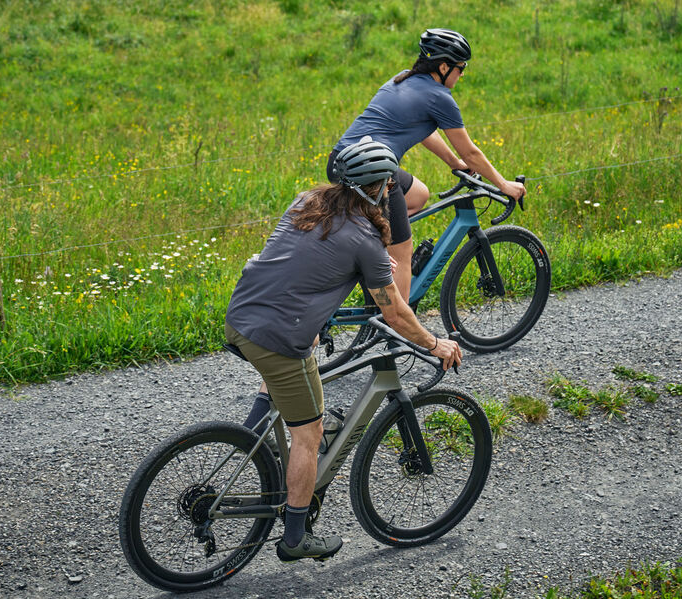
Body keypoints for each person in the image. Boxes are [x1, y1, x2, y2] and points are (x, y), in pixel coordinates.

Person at [225, 138, 463, 562]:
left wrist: (369, 266)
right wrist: (434, 342)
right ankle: (295, 537)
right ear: (375, 189)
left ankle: (251, 445)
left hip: (243, 316)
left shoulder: (308, 200)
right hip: (279, 338)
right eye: (388, 184)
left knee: (301, 359)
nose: (392, 189)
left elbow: (304, 257)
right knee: (309, 433)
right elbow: (396, 315)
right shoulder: (365, 240)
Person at [328, 28, 527, 301]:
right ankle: (398, 328)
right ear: (444, 67)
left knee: (419, 194)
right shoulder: (440, 97)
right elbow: (471, 153)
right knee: (403, 251)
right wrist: (504, 185)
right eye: (461, 68)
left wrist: (452, 162)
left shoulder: (403, 79)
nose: (462, 74)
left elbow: (425, 129)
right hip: (371, 175)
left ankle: (371, 254)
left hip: (342, 162)